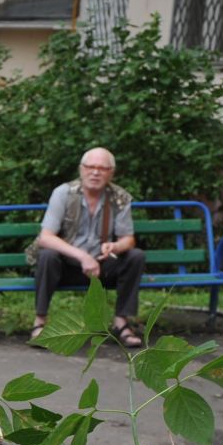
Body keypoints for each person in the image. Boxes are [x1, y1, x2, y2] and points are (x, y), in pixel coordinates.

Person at [28, 147, 145, 350]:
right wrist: (82, 256)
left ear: (111, 172)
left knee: (135, 256)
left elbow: (129, 239)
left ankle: (121, 324)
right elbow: (45, 238)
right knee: (47, 256)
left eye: (102, 168)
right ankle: (40, 323)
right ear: (81, 169)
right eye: (90, 167)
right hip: (67, 266)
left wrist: (115, 245)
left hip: (101, 267)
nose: (95, 172)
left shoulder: (120, 197)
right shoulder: (64, 193)